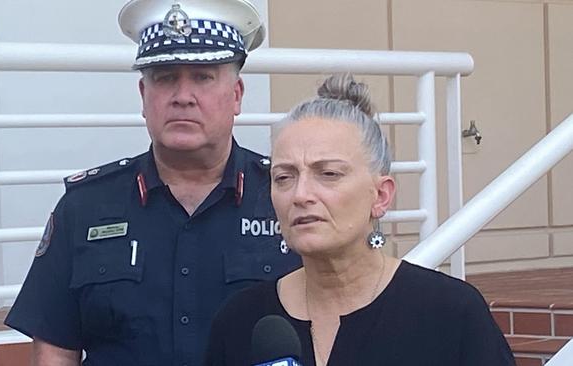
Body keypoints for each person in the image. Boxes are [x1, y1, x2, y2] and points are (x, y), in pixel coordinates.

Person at [4, 1, 301, 365]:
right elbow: (55, 348)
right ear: (144, 97)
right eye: (164, 77)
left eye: (203, 76)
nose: (182, 96)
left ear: (236, 95)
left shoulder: (287, 197)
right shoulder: (85, 208)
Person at [205, 74, 516, 366]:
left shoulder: (450, 313)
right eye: (284, 176)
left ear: (380, 195)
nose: (300, 195)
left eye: (328, 174)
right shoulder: (241, 320)